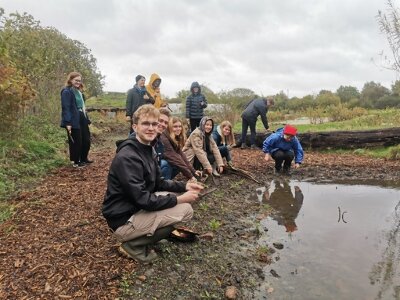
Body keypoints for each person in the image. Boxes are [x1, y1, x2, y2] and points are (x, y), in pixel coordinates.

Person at [102, 104, 204, 263]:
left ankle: (150, 232)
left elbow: (159, 183)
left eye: (154, 124)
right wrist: (180, 199)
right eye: (145, 124)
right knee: (185, 210)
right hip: (122, 220)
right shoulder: (128, 156)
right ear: (135, 126)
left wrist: (185, 186)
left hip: (135, 208)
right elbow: (143, 199)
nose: (151, 128)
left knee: (177, 197)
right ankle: (133, 245)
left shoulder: (148, 149)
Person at [60, 72, 92, 167]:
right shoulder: (66, 91)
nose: (78, 82)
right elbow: (66, 107)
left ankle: (83, 158)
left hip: (82, 117)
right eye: (76, 80)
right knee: (77, 140)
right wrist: (68, 122)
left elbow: (83, 106)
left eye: (79, 80)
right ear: (70, 80)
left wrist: (87, 119)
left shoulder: (79, 92)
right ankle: (75, 161)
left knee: (86, 139)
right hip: (73, 118)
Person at [160, 116, 201, 181]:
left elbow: (181, 155)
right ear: (169, 127)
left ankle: (167, 182)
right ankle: (164, 185)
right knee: (166, 163)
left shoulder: (175, 137)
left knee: (179, 162)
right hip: (155, 166)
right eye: (175, 126)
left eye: (180, 126)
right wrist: (190, 176)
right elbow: (174, 157)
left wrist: (193, 171)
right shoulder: (163, 138)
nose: (178, 128)